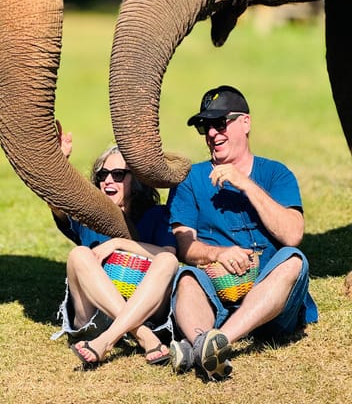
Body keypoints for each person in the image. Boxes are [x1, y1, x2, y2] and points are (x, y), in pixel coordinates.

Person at [167, 85, 318, 380]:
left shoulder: (276, 174)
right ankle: (205, 343)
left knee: (294, 260)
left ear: (245, 123)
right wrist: (217, 253)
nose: (212, 133)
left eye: (221, 123)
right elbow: (184, 245)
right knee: (185, 278)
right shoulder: (190, 179)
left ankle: (214, 342)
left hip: (273, 306)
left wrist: (245, 184)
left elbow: (292, 234)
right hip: (218, 298)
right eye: (205, 126)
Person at [51, 123, 178, 369]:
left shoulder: (157, 215)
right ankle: (142, 335)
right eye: (102, 175)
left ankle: (107, 341)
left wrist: (119, 243)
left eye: (118, 174)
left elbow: (170, 254)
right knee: (79, 254)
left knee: (168, 261)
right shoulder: (89, 215)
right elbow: (57, 205)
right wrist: (58, 163)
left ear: (138, 180)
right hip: (95, 317)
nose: (108, 180)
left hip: (147, 311)